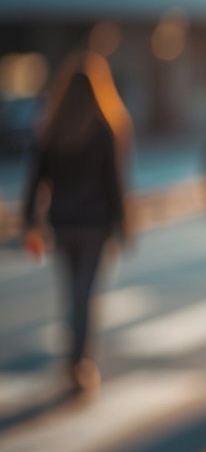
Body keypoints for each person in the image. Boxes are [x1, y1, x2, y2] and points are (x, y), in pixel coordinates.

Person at [22, 50, 132, 397]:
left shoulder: (52, 127)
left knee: (72, 293)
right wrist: (122, 223)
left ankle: (74, 360)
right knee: (85, 295)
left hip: (63, 222)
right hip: (95, 223)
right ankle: (79, 362)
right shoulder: (103, 128)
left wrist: (30, 223)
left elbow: (35, 180)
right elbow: (114, 182)